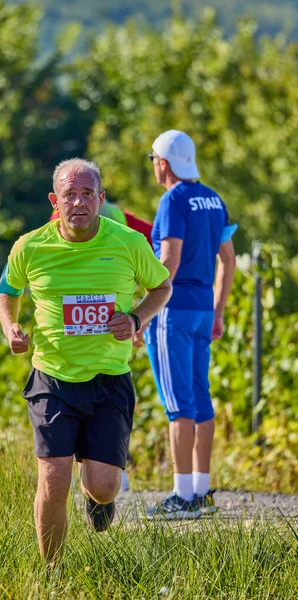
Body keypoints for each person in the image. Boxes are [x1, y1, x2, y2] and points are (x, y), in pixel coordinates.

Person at [0, 158, 172, 562]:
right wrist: (11, 328)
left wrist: (135, 318)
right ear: (55, 200)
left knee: (104, 486)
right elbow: (5, 291)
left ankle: (99, 497)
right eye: (70, 195)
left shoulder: (128, 242)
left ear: (100, 199)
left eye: (87, 194)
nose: (79, 202)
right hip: (53, 378)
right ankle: (51, 575)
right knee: (53, 479)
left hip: (109, 379)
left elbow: (162, 287)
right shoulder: (30, 246)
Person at [142, 130, 237, 520]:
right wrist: (218, 311)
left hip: (172, 308)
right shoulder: (213, 198)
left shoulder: (172, 199)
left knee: (177, 401)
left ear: (163, 163)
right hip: (200, 309)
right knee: (200, 396)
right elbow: (227, 260)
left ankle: (182, 498)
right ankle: (201, 490)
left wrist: (140, 312)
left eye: (152, 159)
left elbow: (169, 262)